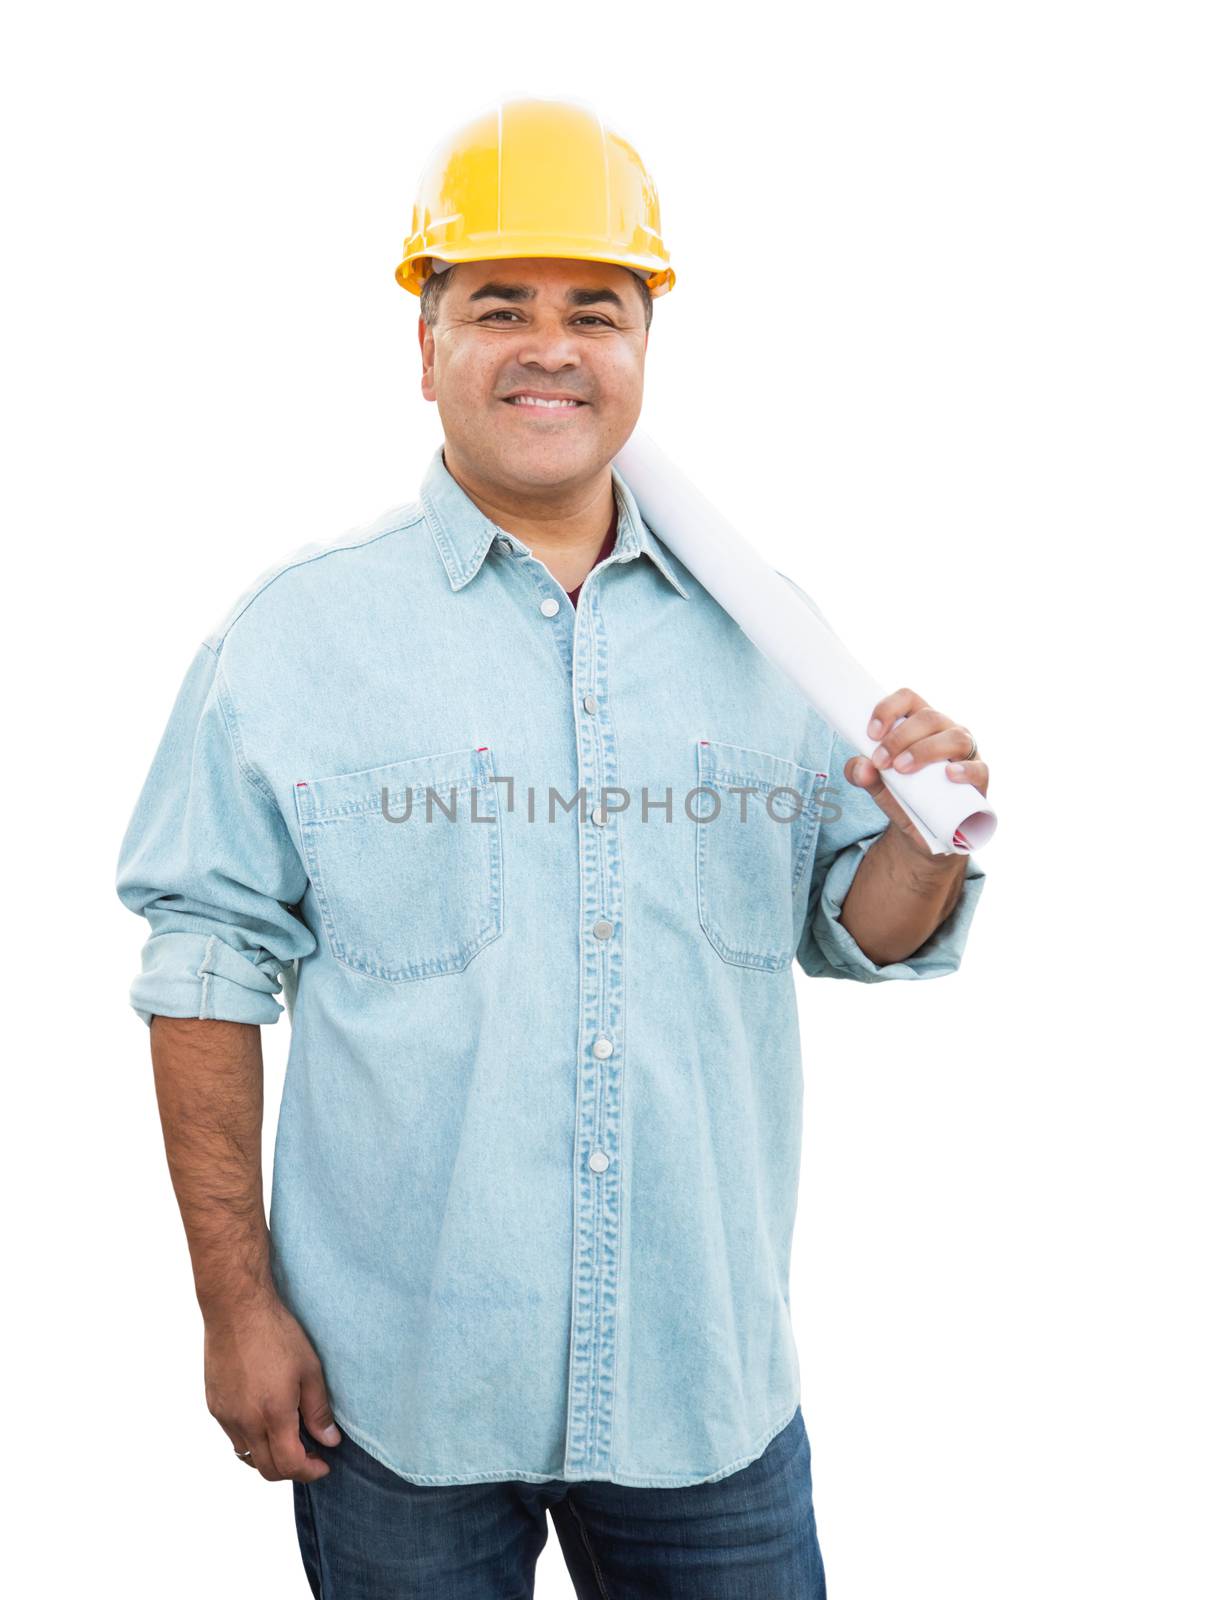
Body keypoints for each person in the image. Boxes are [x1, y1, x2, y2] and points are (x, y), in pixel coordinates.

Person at [115, 94, 990, 1599]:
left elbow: (865, 925)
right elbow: (204, 968)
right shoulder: (294, 642)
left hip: (700, 1389)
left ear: (643, 349)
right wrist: (233, 1303)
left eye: (596, 309)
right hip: (395, 1400)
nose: (549, 345)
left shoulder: (766, 633)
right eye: (496, 304)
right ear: (426, 343)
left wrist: (930, 833)